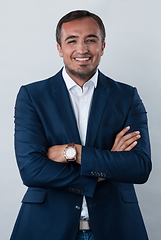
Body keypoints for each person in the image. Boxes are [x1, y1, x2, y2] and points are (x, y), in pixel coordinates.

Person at [10, 10, 151, 240]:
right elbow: (32, 170)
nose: (82, 49)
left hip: (116, 227)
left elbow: (139, 166)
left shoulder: (126, 96)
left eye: (91, 40)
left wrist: (73, 153)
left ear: (102, 46)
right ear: (59, 48)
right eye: (72, 40)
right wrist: (106, 167)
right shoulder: (32, 96)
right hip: (45, 227)